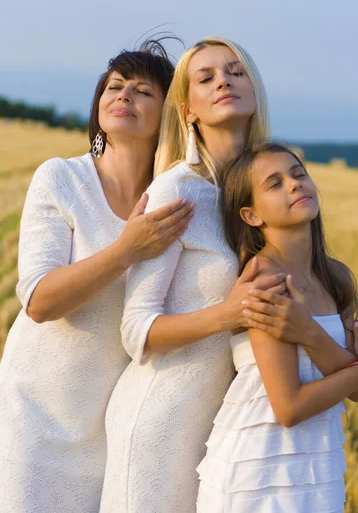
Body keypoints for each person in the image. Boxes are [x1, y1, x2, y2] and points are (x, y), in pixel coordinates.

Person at [100, 38, 358, 513]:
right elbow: (135, 329)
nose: (223, 80)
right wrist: (228, 313)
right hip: (167, 417)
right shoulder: (177, 191)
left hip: (237, 418)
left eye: (235, 71)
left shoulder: (267, 184)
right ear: (187, 110)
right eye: (206, 77)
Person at [0, 40, 195, 513]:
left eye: (142, 91)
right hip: (37, 410)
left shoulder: (176, 199)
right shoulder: (62, 178)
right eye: (114, 85)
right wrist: (126, 250)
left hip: (115, 420)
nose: (123, 95)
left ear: (168, 114)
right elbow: (41, 301)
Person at [196, 141, 358, 513]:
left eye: (299, 174)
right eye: (275, 183)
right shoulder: (265, 280)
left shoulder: (335, 277)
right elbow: (289, 407)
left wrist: (310, 334)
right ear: (251, 216)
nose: (295, 185)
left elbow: (355, 392)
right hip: (259, 469)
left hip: (316, 466)